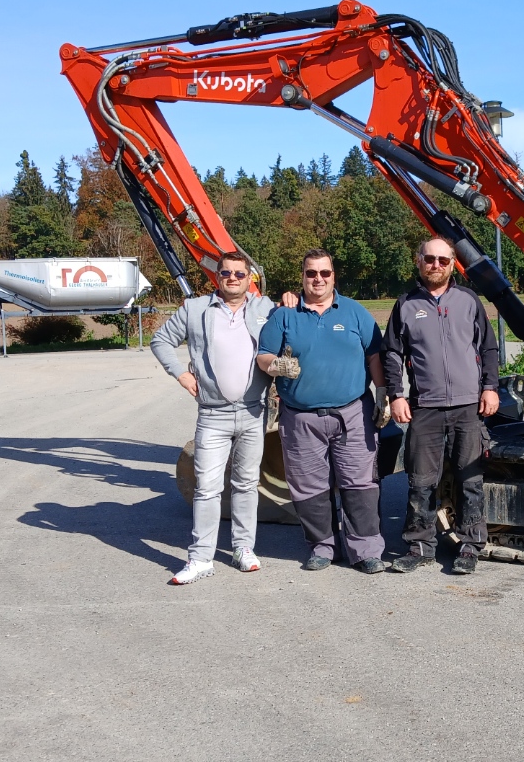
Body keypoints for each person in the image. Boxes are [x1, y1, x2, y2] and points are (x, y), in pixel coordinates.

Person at [151, 249, 280, 585]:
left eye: (240, 273)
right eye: (226, 273)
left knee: (246, 484)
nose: (233, 279)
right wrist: (180, 373)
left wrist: (292, 298)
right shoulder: (195, 310)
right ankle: (200, 558)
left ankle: (243, 549)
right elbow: (161, 340)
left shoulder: (266, 308)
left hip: (254, 413)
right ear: (217, 276)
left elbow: (292, 323)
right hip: (213, 415)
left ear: (250, 277)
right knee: (207, 488)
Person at [257, 249, 390, 573]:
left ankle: (366, 551)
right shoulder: (284, 315)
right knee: (309, 487)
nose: (318, 279)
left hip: (353, 414)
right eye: (311, 273)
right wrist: (278, 365)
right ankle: (323, 547)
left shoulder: (355, 313)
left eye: (324, 273)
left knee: (360, 486)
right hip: (301, 418)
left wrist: (383, 393)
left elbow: (375, 357)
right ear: (302, 276)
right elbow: (263, 355)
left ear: (334, 276)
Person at [382, 237, 500, 577]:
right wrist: (396, 395)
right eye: (430, 259)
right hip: (425, 408)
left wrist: (490, 388)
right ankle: (419, 546)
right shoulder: (405, 305)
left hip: (468, 408)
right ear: (419, 261)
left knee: (470, 480)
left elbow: (489, 349)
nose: (436, 265)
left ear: (453, 265)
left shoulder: (468, 300)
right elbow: (392, 353)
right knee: (420, 481)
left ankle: (470, 545)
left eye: (443, 260)